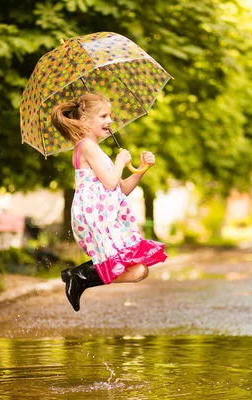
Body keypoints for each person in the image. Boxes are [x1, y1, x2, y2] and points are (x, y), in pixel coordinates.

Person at [51, 93, 168, 312]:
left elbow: (121, 188)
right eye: (104, 116)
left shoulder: (95, 148)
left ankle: (77, 276)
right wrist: (120, 161)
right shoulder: (86, 145)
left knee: (140, 271)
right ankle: (78, 277)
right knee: (129, 267)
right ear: (86, 121)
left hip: (106, 212)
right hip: (95, 214)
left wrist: (142, 169)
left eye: (110, 115)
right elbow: (111, 181)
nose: (110, 121)